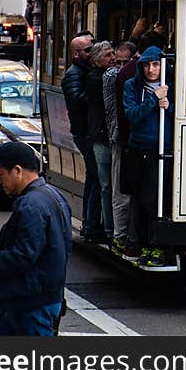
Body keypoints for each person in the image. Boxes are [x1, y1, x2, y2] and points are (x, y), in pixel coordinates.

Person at [0, 142, 72, 336]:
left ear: (17, 170)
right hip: (44, 299)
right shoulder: (54, 196)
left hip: (29, 306)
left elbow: (22, 256)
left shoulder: (30, 206)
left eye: (1, 175)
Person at [122, 45, 174, 266]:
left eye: (155, 64)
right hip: (140, 148)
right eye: (147, 65)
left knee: (156, 199)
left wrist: (168, 106)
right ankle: (141, 243)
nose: (151, 70)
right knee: (140, 200)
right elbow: (133, 116)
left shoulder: (173, 86)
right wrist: (154, 99)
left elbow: (181, 114)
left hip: (163, 149)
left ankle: (157, 246)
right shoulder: (131, 86)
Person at [62, 33, 104, 243]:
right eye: (88, 49)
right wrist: (99, 97)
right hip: (84, 132)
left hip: (86, 131)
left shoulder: (84, 70)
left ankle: (89, 223)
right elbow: (77, 98)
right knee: (96, 178)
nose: (92, 51)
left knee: (93, 178)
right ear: (77, 54)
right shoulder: (73, 74)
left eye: (93, 46)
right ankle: (91, 226)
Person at [103, 41, 136, 254]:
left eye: (126, 62)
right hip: (119, 139)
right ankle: (119, 235)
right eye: (118, 62)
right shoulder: (112, 77)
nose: (120, 67)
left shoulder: (126, 76)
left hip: (128, 140)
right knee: (117, 189)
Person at [86, 41, 116, 244]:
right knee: (105, 185)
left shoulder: (103, 75)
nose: (112, 58)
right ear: (97, 60)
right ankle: (107, 228)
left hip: (106, 136)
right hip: (102, 138)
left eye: (113, 54)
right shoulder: (97, 79)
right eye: (108, 55)